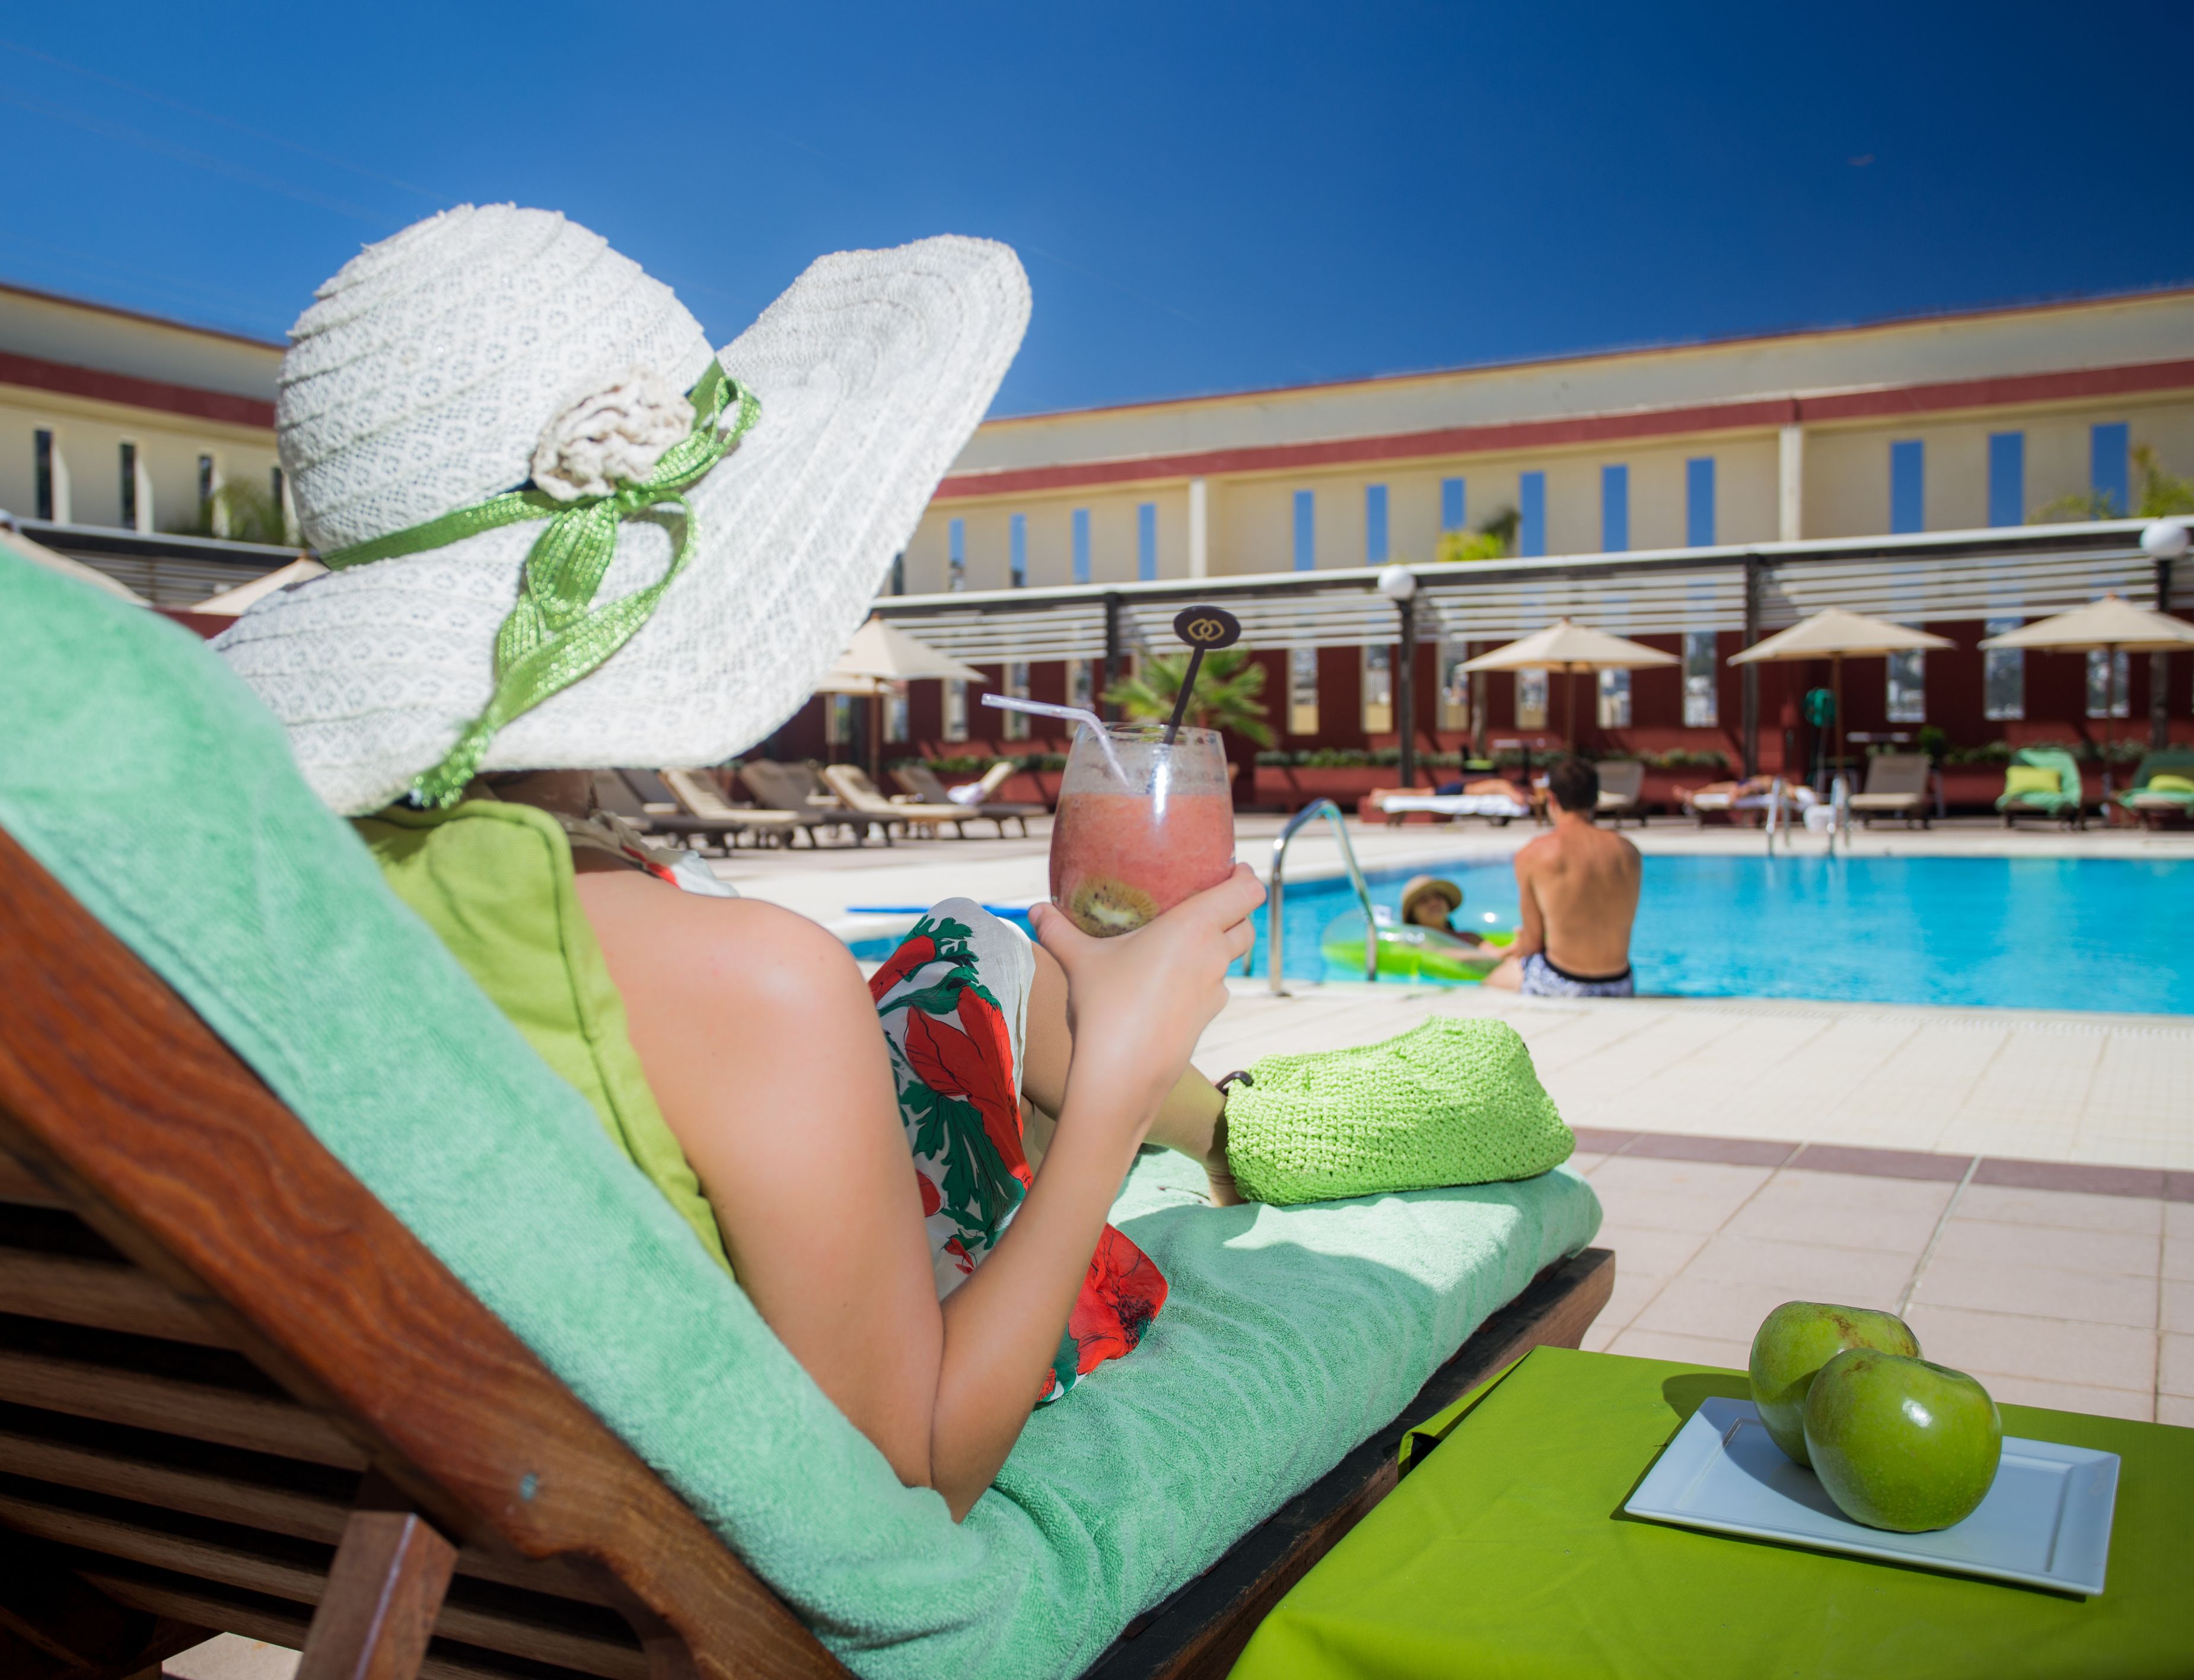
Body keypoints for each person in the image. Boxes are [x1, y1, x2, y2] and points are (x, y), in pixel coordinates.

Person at [214, 205, 1263, 1523]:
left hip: (347, 1524)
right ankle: (1241, 1135)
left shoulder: (239, 913)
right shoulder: (733, 983)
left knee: (964, 966)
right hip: (646, 1567)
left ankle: (1235, 1128)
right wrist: (1113, 1085)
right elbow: (913, 1483)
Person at [1483, 758, 1641, 997]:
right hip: (1620, 983)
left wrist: (1510, 950)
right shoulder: (1628, 851)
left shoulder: (1534, 854)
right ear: (1596, 799)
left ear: (1551, 799)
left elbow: (1533, 944)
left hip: (1562, 981)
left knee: (1489, 980)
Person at [1399, 874, 1485, 946]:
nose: (1434, 903)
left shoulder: (1471, 938)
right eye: (1424, 900)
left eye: (1438, 897)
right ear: (1413, 914)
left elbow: (1495, 953)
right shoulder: (1415, 945)